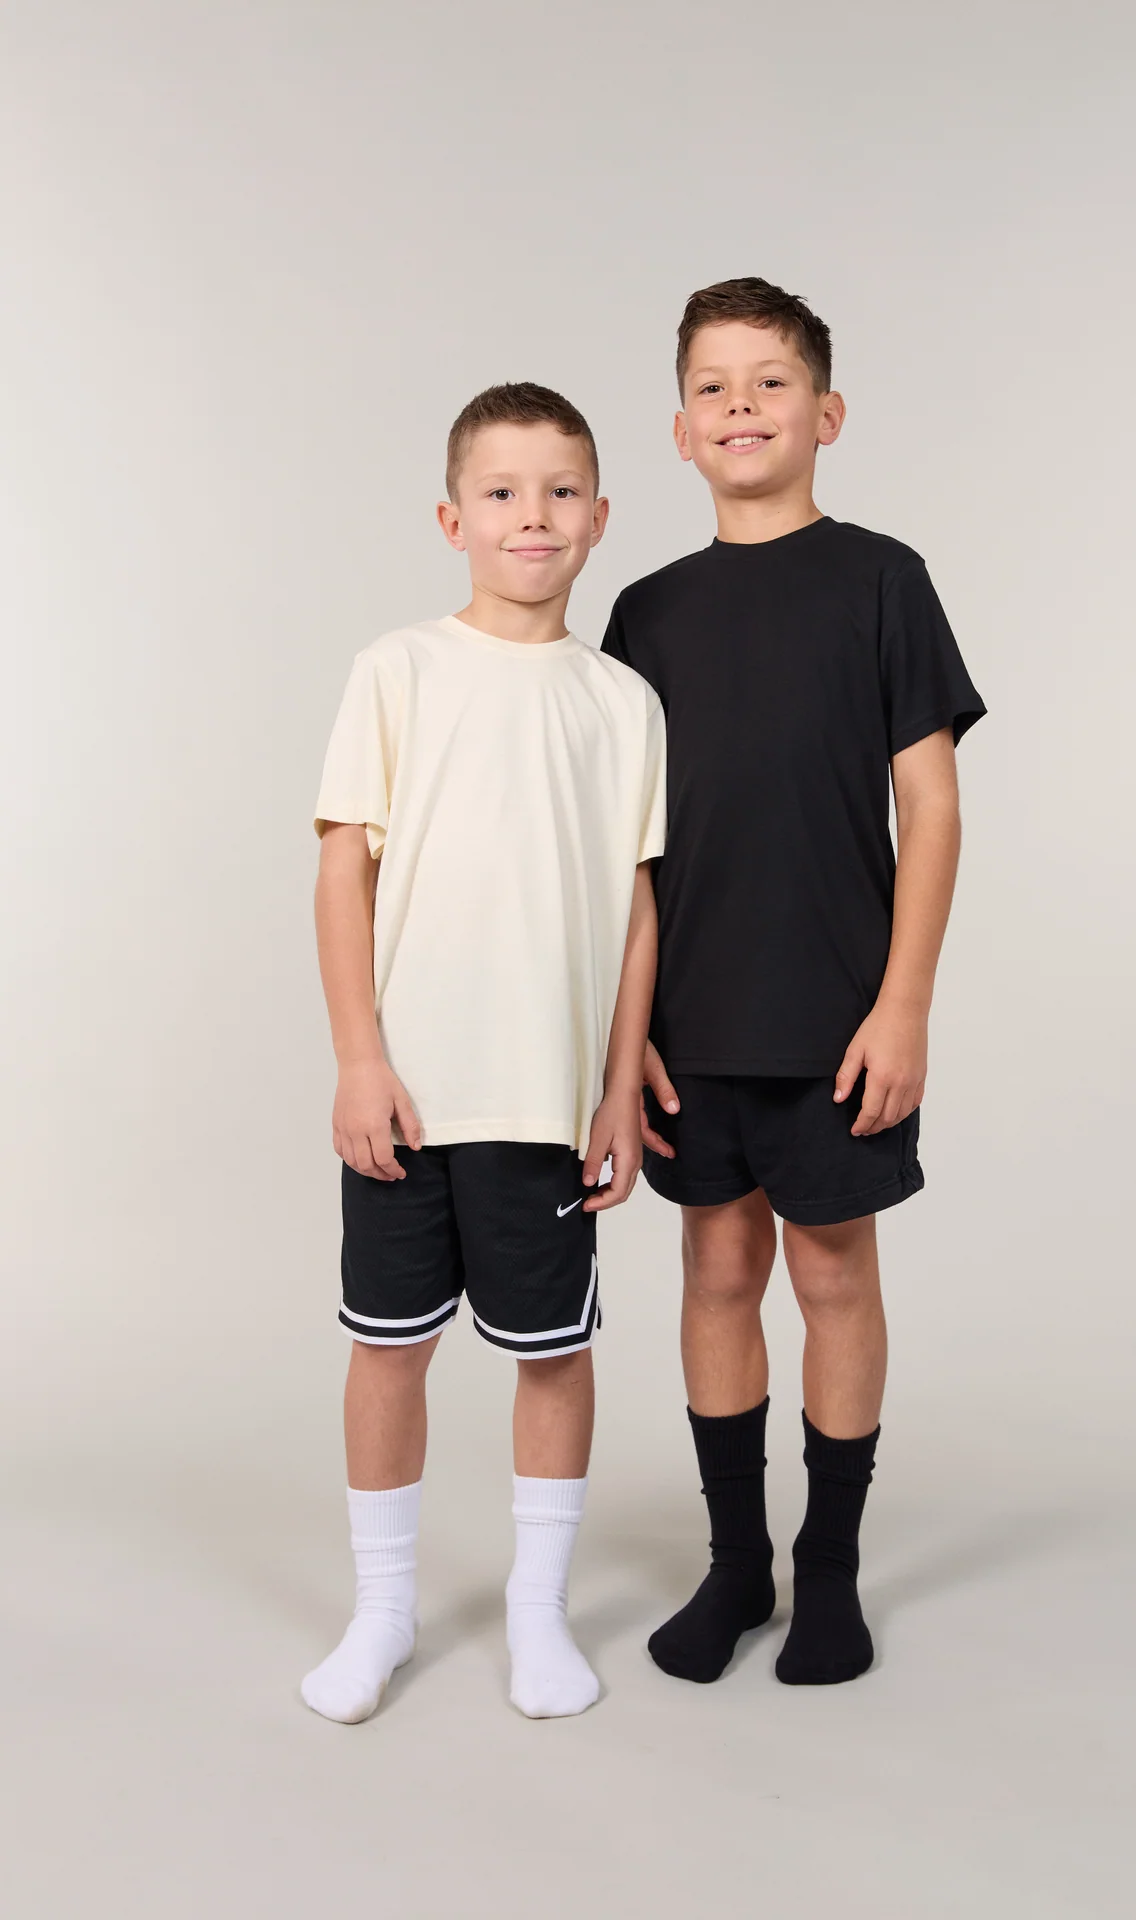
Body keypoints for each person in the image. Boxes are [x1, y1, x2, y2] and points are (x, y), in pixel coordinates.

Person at [602, 277, 985, 1687]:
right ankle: (735, 1564)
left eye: (771, 382)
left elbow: (930, 807)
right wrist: (626, 1035)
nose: (742, 406)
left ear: (826, 413)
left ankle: (829, 1571)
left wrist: (904, 1004)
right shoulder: (645, 613)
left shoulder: (883, 580)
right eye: (713, 386)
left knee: (831, 1273)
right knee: (715, 1269)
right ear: (680, 430)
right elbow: (625, 850)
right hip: (690, 1021)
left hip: (837, 1015)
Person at [304, 382, 665, 1723]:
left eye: (561, 491)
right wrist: (359, 1059)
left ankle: (536, 1613)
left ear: (600, 518)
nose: (534, 515)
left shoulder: (623, 702)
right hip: (408, 1092)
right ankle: (383, 1610)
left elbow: (638, 908)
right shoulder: (396, 670)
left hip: (544, 1101)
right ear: (454, 518)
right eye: (503, 492)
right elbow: (342, 873)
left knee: (550, 1350)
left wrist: (618, 1084)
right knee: (388, 1347)